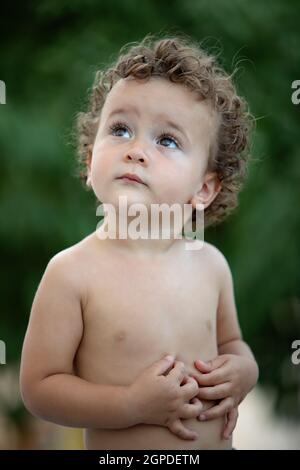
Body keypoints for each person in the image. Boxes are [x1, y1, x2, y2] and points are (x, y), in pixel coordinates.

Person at [20, 33, 259, 450]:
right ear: (91, 159)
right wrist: (131, 404)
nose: (136, 150)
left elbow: (231, 343)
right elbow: (40, 387)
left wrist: (243, 372)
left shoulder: (210, 264)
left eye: (166, 140)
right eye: (120, 129)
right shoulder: (72, 273)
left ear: (204, 189)